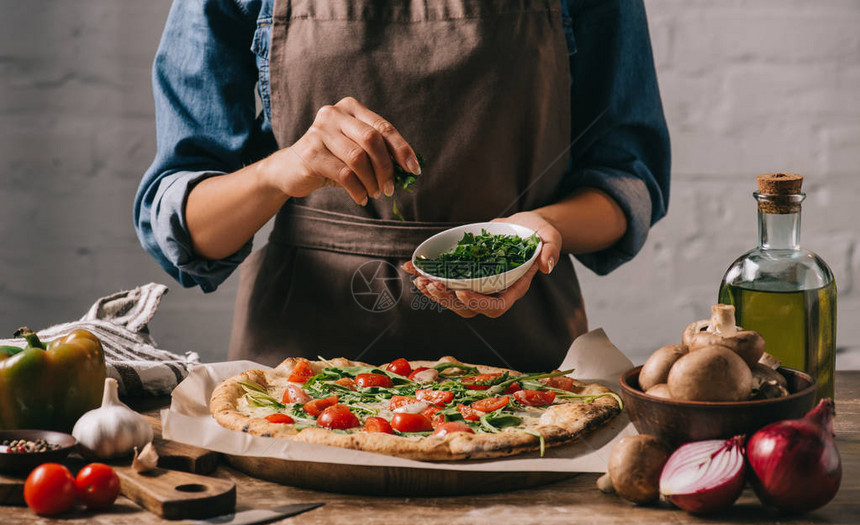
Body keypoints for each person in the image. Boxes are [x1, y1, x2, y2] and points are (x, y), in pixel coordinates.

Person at [134, 0, 670, 371]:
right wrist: (281, 170)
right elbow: (185, 228)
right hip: (297, 380)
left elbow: (628, 176)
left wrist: (540, 229)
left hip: (525, 370)